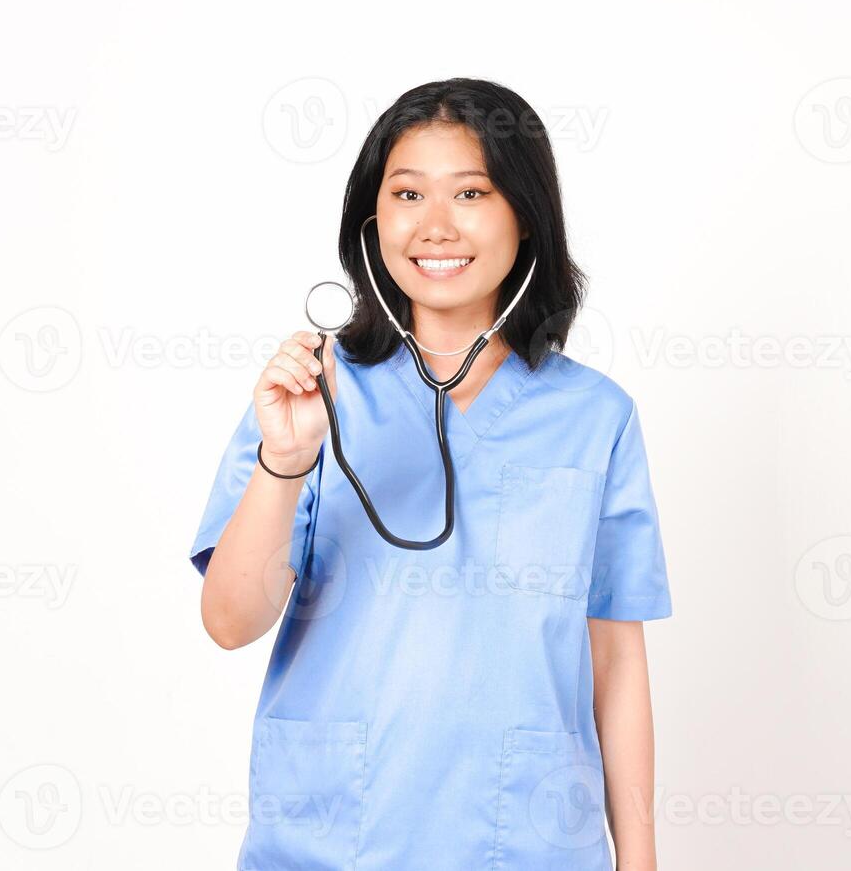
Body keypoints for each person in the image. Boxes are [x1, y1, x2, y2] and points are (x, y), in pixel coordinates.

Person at [190, 77, 673, 869]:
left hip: (527, 844)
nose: (436, 225)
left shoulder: (597, 417)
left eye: (472, 191)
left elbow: (616, 660)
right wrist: (286, 461)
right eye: (407, 193)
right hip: (334, 841)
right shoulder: (312, 393)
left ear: (526, 216)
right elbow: (230, 621)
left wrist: (641, 860)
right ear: (372, 220)